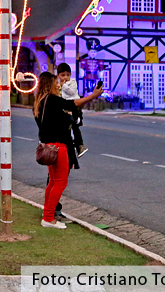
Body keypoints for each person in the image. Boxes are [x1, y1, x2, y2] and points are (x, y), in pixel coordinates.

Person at [34, 66, 102, 229]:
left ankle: (48, 215)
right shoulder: (52, 99)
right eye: (55, 83)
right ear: (50, 85)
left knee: (52, 182)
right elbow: (74, 103)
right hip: (59, 146)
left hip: (49, 146)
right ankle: (48, 218)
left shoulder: (41, 102)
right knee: (60, 183)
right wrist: (93, 95)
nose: (58, 85)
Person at [58, 67, 88, 157]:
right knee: (64, 128)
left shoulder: (72, 82)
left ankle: (80, 145)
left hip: (73, 106)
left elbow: (72, 92)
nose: (65, 77)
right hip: (63, 107)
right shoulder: (57, 84)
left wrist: (64, 86)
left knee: (75, 126)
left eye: (67, 75)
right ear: (58, 75)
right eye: (63, 75)